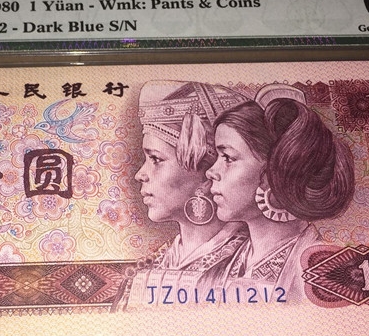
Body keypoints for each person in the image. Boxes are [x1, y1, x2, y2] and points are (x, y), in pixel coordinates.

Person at [201, 83, 355, 302]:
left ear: (275, 171)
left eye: (228, 157)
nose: (210, 172)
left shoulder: (323, 273)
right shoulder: (217, 266)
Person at [113, 80, 249, 310]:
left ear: (207, 173)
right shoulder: (149, 268)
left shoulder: (249, 263)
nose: (140, 174)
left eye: (156, 159)